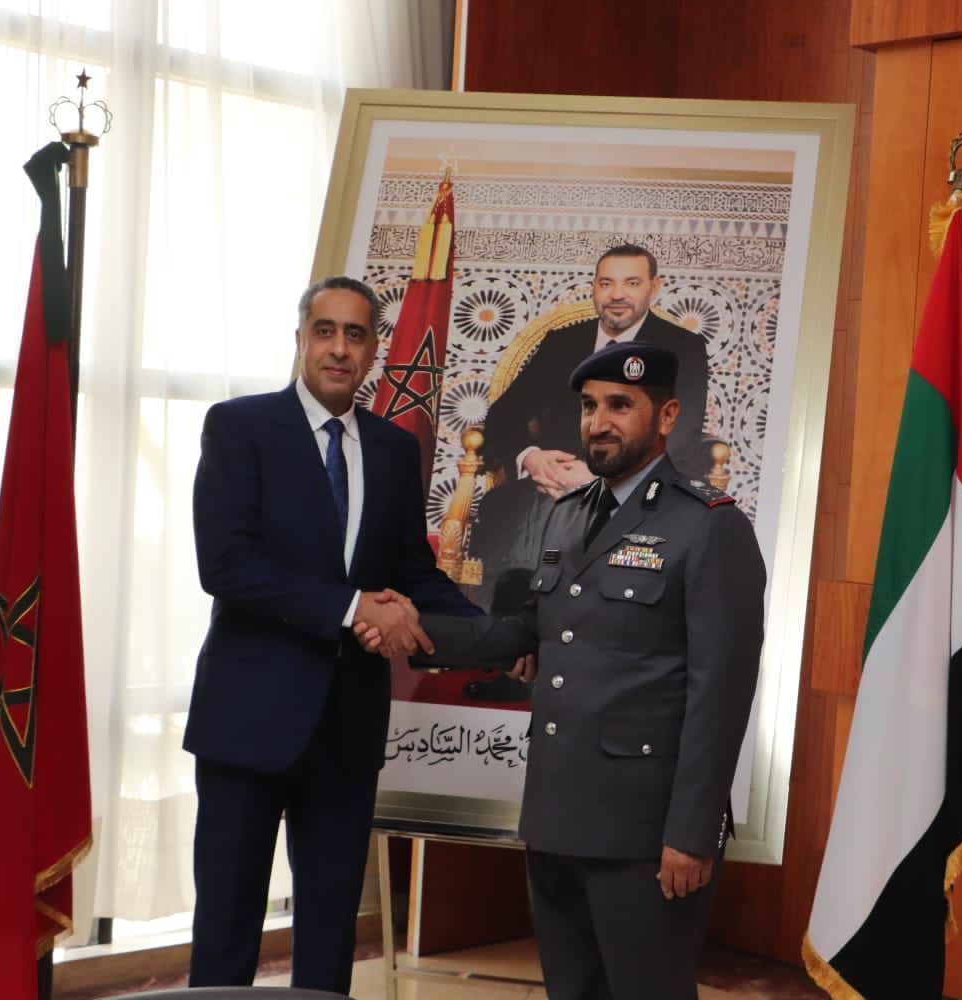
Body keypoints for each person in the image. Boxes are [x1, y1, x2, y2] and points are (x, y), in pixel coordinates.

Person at [362, 340, 766, 998]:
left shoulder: (709, 527)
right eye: (588, 407)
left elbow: (720, 693)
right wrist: (408, 625)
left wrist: (693, 835)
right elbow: (526, 633)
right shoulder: (568, 515)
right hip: (555, 817)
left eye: (620, 406)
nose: (598, 422)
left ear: (666, 416)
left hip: (644, 832)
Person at [183, 275, 479, 994]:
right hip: (247, 724)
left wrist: (496, 635)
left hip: (345, 729)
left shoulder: (392, 449)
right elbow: (225, 566)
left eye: (355, 334)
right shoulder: (240, 427)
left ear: (374, 349)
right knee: (227, 928)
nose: (339, 349)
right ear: (300, 341)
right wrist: (353, 608)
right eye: (325, 331)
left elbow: (412, 571)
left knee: (329, 930)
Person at [469, 244, 710, 615]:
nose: (617, 294)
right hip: (546, 487)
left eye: (631, 283)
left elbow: (680, 432)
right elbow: (505, 414)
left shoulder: (683, 348)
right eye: (606, 283)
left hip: (632, 493)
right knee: (519, 518)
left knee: (572, 523)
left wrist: (603, 481)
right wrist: (532, 459)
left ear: (654, 287)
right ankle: (511, 632)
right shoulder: (562, 343)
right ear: (594, 288)